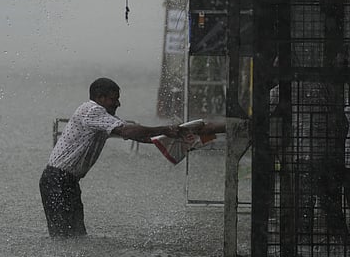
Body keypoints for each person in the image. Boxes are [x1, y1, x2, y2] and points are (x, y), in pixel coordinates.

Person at [39, 77, 226, 238]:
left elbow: (138, 135)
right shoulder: (92, 110)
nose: (118, 104)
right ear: (100, 98)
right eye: (114, 99)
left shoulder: (102, 118)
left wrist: (177, 137)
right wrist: (164, 129)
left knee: (76, 235)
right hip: (57, 180)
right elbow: (128, 130)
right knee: (63, 237)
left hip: (67, 181)